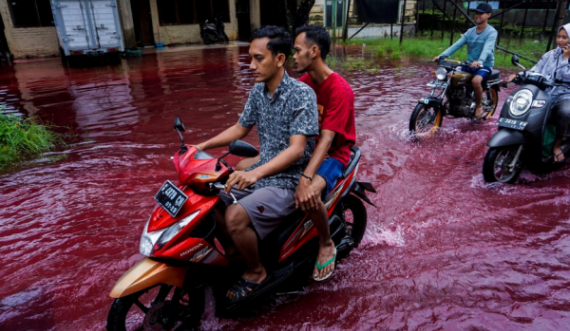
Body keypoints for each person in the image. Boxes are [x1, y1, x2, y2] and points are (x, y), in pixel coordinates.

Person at [194, 26, 319, 301]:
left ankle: (256, 271)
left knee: (235, 217)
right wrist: (201, 146)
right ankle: (237, 254)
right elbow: (240, 128)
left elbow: (297, 150)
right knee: (211, 202)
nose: (251, 65)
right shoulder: (258, 91)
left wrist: (255, 173)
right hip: (261, 173)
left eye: (258, 58)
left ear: (280, 59)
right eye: (250, 57)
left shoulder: (301, 94)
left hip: (289, 179)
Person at [292, 25, 356, 281]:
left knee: (308, 195)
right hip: (308, 148)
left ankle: (326, 241)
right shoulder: (303, 84)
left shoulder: (340, 90)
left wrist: (306, 178)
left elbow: (328, 140)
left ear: (314, 51)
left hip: (334, 155)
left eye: (297, 51)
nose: (293, 56)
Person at [508, 24, 570, 163]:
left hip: (565, 95)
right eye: (559, 36)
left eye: (564, 37)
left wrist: (566, 59)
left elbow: (565, 76)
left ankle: (557, 145)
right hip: (546, 92)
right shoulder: (550, 55)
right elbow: (536, 70)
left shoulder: (567, 56)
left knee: (565, 112)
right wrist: (519, 75)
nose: (560, 40)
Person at [433, 3, 497, 121]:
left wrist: (480, 61)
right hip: (469, 64)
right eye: (476, 13)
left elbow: (487, 48)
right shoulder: (470, 32)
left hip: (484, 65)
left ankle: (479, 105)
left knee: (476, 81)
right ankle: (454, 102)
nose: (477, 15)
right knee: (449, 76)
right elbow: (457, 44)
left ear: (488, 15)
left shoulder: (491, 32)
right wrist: (441, 56)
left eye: (481, 13)